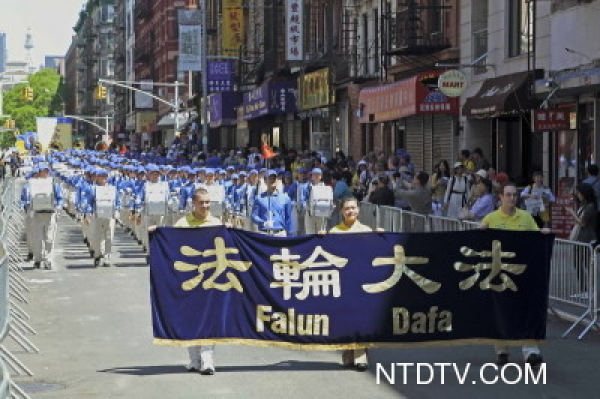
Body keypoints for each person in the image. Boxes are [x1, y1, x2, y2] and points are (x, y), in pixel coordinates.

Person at [150, 188, 222, 375]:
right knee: (190, 319)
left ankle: (207, 360)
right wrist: (157, 233)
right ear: (193, 203)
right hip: (188, 280)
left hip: (210, 281)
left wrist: (229, 230)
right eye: (202, 202)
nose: (205, 206)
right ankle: (194, 360)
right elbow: (171, 243)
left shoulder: (216, 223)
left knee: (208, 320)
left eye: (208, 202)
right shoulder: (183, 223)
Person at [480, 182, 548, 368]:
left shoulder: (525, 218)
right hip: (498, 274)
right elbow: (479, 243)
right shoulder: (491, 218)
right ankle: (502, 351)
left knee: (525, 310)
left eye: (514, 195)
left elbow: (535, 237)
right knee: (501, 312)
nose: (511, 198)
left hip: (522, 273)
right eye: (508, 195)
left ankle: (531, 352)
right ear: (500, 197)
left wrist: (543, 234)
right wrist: (480, 233)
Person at [320, 196, 383, 372]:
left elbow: (375, 252)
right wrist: (321, 239)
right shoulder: (335, 231)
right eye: (347, 208)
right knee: (346, 318)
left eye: (353, 208)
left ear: (359, 210)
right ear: (341, 211)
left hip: (362, 281)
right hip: (342, 281)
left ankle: (360, 355)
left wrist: (381, 237)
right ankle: (349, 354)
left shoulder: (366, 230)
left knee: (361, 318)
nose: (351, 211)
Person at [566, 184, 597, 294]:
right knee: (578, 263)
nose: (577, 195)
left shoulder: (590, 206)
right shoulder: (583, 204)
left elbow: (582, 223)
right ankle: (584, 289)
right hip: (580, 237)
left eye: (579, 193)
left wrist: (572, 213)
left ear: (584, 194)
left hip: (586, 238)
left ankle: (588, 289)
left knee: (587, 264)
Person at [252, 170, 294, 236]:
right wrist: (263, 223)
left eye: (274, 178)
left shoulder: (285, 198)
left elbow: (288, 219)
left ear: (277, 180)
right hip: (264, 234)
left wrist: (291, 236)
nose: (272, 180)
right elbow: (254, 216)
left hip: (280, 233)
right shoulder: (259, 198)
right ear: (265, 181)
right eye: (270, 178)